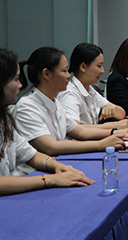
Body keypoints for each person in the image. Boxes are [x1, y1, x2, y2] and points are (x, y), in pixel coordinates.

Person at [13, 47, 128, 158]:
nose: (69, 75)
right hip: (35, 172)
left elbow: (80, 131)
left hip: (58, 161)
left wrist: (114, 132)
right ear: (46, 74)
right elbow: (51, 147)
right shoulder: (27, 107)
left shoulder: (54, 102)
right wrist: (101, 144)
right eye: (64, 71)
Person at [0, 48, 94, 195]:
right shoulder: (26, 106)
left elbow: (32, 155)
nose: (20, 85)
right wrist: (50, 180)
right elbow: (51, 147)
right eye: (16, 79)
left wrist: (56, 166)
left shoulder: (4, 119)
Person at [57, 43, 128, 128]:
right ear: (83, 67)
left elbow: (121, 114)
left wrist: (111, 108)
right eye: (99, 66)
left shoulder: (90, 90)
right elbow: (74, 129)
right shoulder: (69, 94)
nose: (102, 71)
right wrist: (112, 126)